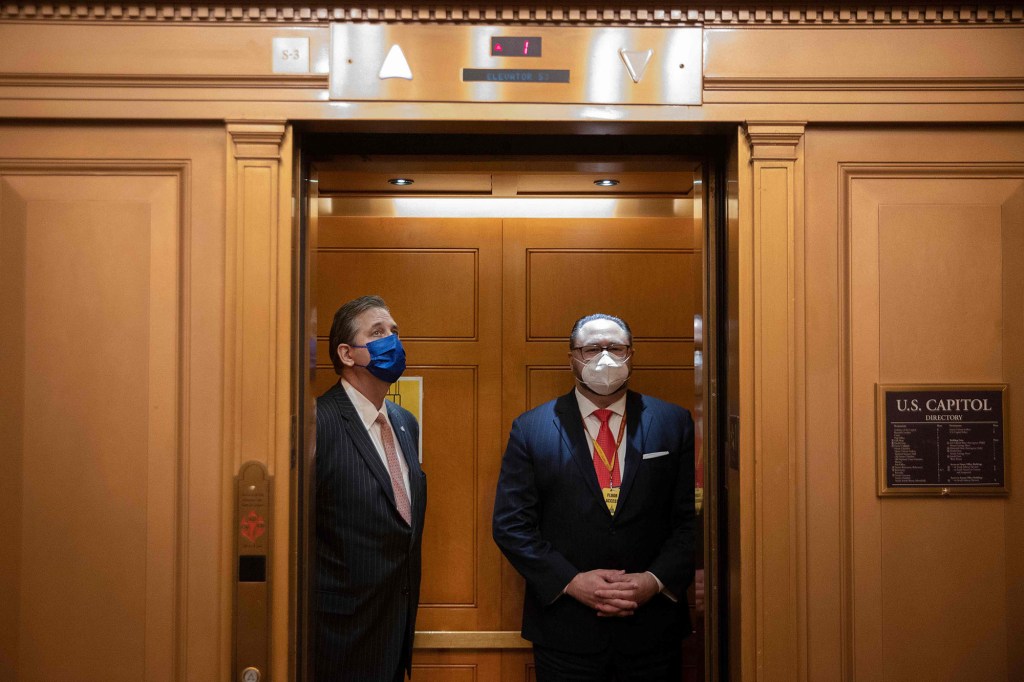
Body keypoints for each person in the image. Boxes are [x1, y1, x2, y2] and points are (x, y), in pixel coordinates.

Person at [492, 313, 695, 681]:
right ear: (572, 357)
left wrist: (653, 580)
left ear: (631, 354)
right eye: (591, 349)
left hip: (652, 630)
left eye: (615, 348)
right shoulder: (531, 428)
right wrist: (571, 582)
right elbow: (511, 526)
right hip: (565, 632)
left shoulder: (673, 422)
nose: (605, 358)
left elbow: (691, 521)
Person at [314, 295, 427, 682]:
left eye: (394, 331)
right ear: (347, 353)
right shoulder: (318, 422)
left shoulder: (403, 422)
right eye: (377, 333)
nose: (391, 341)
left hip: (395, 633)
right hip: (337, 639)